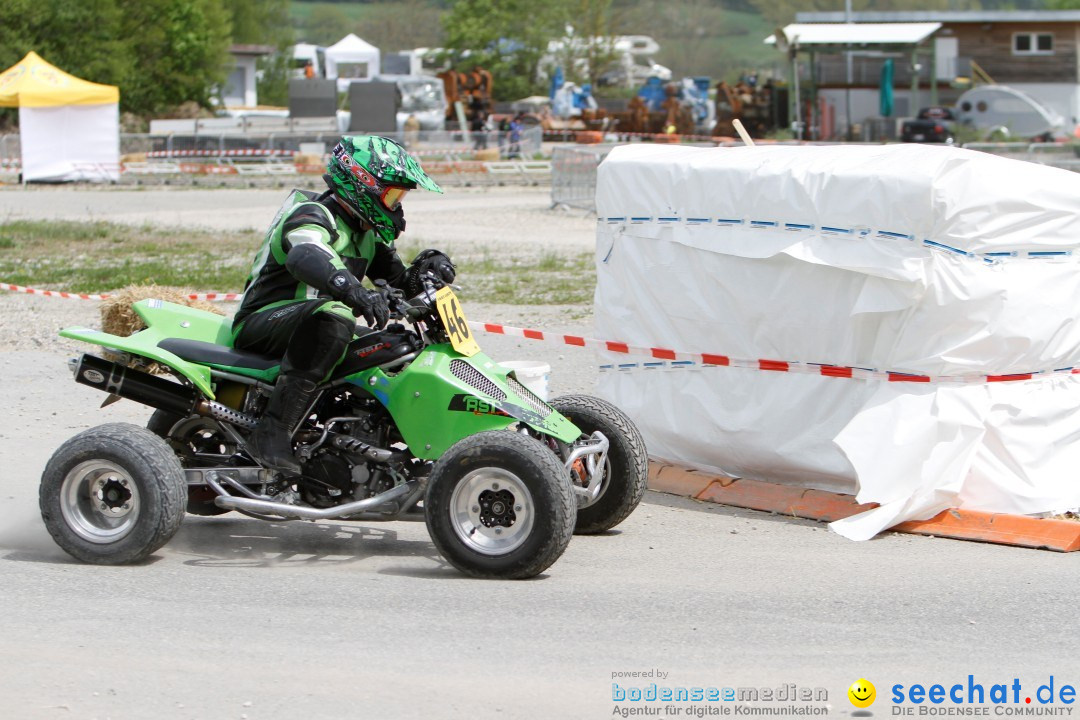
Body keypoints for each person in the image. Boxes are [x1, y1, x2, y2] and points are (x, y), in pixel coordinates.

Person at [232, 135, 456, 473]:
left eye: (400, 197)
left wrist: (425, 275)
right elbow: (306, 254)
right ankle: (272, 431)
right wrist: (356, 293)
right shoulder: (312, 214)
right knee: (336, 317)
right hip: (262, 322)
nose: (397, 206)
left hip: (311, 327)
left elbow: (400, 281)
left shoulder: (366, 234)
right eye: (392, 195)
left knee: (392, 345)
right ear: (362, 183)